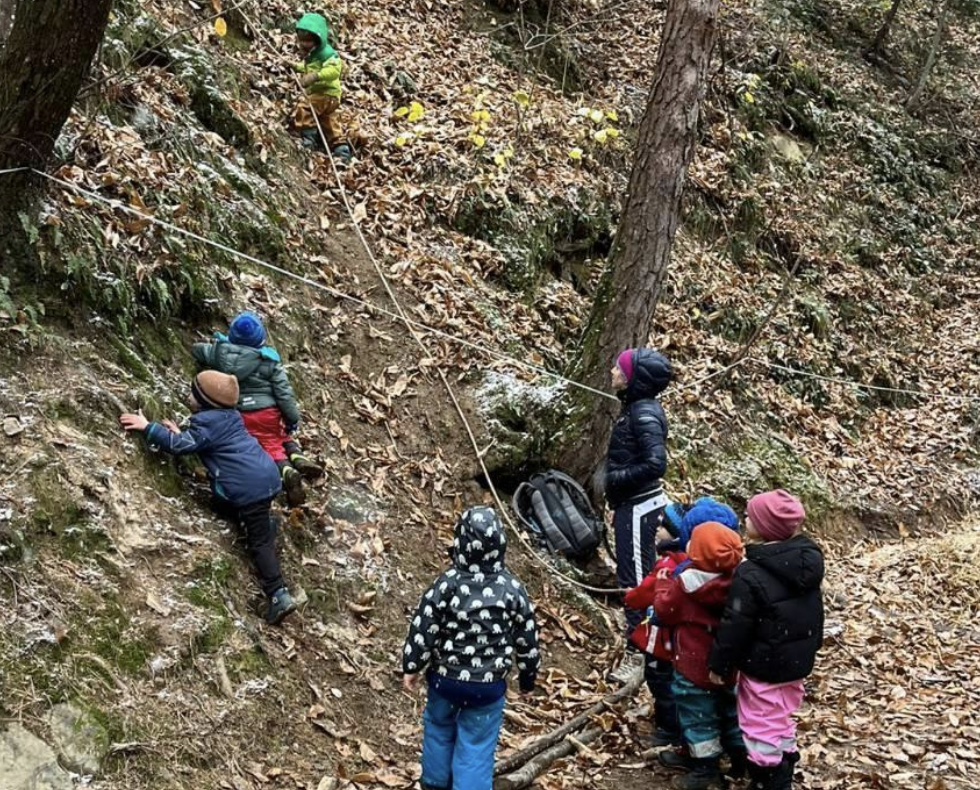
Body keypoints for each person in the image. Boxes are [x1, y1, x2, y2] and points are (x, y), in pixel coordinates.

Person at [119, 371, 297, 625]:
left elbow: (180, 446)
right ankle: (263, 524)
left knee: (259, 543)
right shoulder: (228, 416)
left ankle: (278, 593)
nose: (189, 396)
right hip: (266, 476)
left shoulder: (207, 423)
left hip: (249, 487)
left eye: (193, 393)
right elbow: (200, 442)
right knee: (238, 510)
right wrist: (180, 433)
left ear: (204, 400)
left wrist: (149, 428)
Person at [401, 507, 540, 790]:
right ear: (500, 544)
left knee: (439, 727)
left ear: (459, 543)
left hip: (445, 679)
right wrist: (527, 679)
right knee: (476, 741)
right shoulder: (513, 589)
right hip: (486, 687)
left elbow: (424, 626)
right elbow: (527, 638)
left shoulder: (446, 584)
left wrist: (412, 666)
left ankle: (435, 783)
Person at [708, 490, 824, 790]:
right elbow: (814, 612)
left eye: (751, 516)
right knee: (781, 714)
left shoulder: (750, 573)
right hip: (796, 661)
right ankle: (785, 760)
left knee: (759, 723)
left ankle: (768, 778)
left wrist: (720, 665)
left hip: (765, 664)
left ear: (765, 527)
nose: (745, 518)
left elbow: (735, 625)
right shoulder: (806, 564)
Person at [192, 311, 323, 508]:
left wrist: (214, 346)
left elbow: (197, 349)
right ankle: (289, 466)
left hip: (237, 413)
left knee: (263, 443)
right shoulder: (269, 361)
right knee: (275, 437)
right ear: (261, 338)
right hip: (267, 412)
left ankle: (294, 459)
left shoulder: (219, 352)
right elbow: (284, 395)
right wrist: (292, 419)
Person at [654, 522, 747, 790]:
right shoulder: (743, 581)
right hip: (730, 662)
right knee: (731, 711)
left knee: (697, 716)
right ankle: (740, 757)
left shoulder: (685, 584)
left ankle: (705, 766)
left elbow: (664, 611)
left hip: (693, 665)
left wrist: (662, 588)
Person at [604, 347, 672, 673]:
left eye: (619, 369)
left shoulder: (644, 414)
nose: (613, 372)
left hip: (640, 506)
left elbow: (655, 463)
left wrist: (617, 481)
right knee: (639, 575)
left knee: (634, 580)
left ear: (635, 380)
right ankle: (648, 642)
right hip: (631, 505)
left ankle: (639, 652)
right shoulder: (634, 408)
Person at [624, 501, 689, 748]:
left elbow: (644, 592)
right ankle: (676, 725)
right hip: (678, 643)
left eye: (663, 526)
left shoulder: (667, 565)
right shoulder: (688, 561)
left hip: (660, 641)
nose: (658, 530)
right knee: (672, 682)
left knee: (661, 683)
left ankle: (667, 730)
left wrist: (630, 596)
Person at [292, 12, 353, 162]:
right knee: (329, 121)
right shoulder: (313, 54)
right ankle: (341, 149)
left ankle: (308, 137)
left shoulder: (327, 54)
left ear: (318, 39)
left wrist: (314, 77)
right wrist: (295, 67)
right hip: (329, 97)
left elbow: (333, 71)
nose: (304, 45)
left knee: (306, 107)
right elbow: (309, 68)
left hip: (325, 93)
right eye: (302, 41)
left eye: (308, 41)